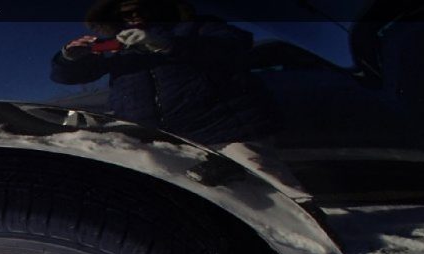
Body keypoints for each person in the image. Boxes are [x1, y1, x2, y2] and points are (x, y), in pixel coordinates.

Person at [51, 0, 276, 146]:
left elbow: (234, 45)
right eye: (124, 13)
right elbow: (68, 77)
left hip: (224, 133)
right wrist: (68, 58)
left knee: (271, 202)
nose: (133, 16)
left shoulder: (198, 28)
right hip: (154, 142)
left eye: (140, 8)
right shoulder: (116, 45)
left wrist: (169, 45)